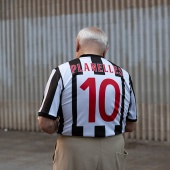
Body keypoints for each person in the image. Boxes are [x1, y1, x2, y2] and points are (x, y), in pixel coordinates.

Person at [38, 27, 137, 170]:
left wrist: (62, 125)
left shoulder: (63, 71)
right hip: (113, 148)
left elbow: (45, 124)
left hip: (74, 149)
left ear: (77, 45)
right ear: (105, 51)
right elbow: (131, 125)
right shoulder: (123, 75)